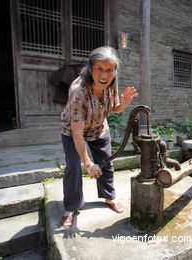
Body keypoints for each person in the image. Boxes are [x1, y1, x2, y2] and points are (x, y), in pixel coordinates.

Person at [60, 46, 138, 227]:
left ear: (114, 71)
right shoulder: (78, 90)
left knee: (106, 163)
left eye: (109, 70)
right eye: (99, 69)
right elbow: (77, 133)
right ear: (90, 69)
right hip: (72, 131)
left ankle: (109, 197)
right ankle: (71, 207)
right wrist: (87, 162)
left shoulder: (112, 82)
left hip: (98, 128)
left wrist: (123, 104)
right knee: (73, 165)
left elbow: (112, 108)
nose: (105, 74)